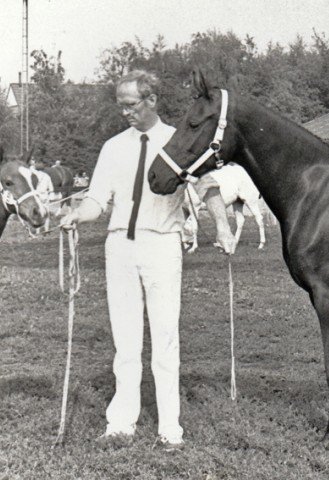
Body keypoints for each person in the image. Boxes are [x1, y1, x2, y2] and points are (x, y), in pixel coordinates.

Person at [60, 70, 237, 450]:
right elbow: (96, 200)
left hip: (162, 246)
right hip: (119, 247)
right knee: (125, 340)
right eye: (120, 105)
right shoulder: (112, 147)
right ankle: (121, 422)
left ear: (152, 100)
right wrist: (78, 214)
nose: (124, 112)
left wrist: (222, 228)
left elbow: (208, 187)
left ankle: (169, 427)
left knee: (165, 337)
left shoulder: (179, 140)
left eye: (131, 104)